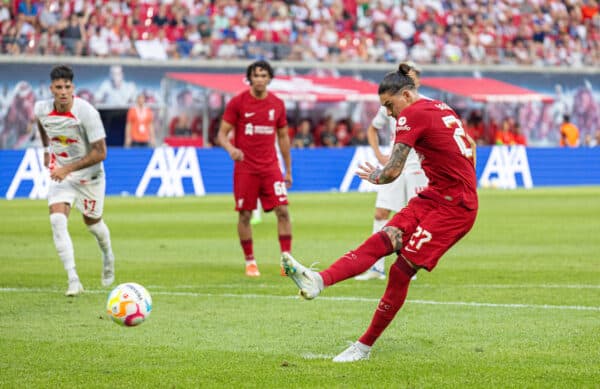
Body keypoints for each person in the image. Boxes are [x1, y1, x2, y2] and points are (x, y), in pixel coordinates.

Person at [281, 63, 478, 362]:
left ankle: (363, 347)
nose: (388, 112)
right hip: (436, 195)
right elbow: (472, 144)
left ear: (407, 95)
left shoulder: (411, 114)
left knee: (401, 271)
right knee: (385, 237)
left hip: (454, 208)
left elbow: (392, 172)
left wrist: (375, 175)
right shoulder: (441, 106)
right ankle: (318, 281)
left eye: (389, 105)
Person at [35, 65, 116, 296]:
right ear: (51, 88)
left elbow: (101, 152)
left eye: (67, 87)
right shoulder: (41, 108)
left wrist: (67, 168)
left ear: (73, 88)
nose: (63, 91)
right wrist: (46, 150)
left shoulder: (87, 112)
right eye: (58, 87)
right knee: (57, 221)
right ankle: (73, 279)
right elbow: (41, 123)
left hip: (90, 177)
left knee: (93, 225)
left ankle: (108, 255)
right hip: (63, 175)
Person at [217, 60, 292, 277]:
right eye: (256, 75)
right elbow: (222, 133)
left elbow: (283, 137)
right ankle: (250, 261)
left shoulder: (277, 104)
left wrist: (288, 170)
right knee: (244, 215)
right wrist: (231, 148)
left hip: (270, 167)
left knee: (284, 211)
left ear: (270, 78)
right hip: (246, 168)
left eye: (263, 75)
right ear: (250, 78)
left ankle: (286, 261)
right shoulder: (238, 102)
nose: (260, 79)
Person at [355, 62, 428, 281]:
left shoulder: (426, 105)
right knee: (381, 213)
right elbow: (372, 128)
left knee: (414, 218)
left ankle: (408, 265)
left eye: (414, 74)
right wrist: (379, 155)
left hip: (417, 169)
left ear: (418, 80)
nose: (411, 77)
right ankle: (376, 268)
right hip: (394, 166)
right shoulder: (390, 103)